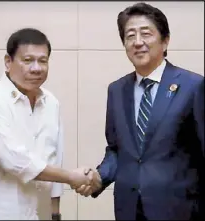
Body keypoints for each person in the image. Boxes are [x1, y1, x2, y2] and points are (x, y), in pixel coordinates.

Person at [76, 2, 204, 221]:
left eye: (146, 34)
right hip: (129, 208)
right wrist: (99, 177)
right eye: (129, 36)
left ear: (165, 41)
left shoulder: (194, 86)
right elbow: (117, 150)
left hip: (180, 209)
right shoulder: (117, 90)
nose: (137, 42)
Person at [0, 28, 91, 220]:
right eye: (27, 60)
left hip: (41, 215)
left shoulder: (51, 102)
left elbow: (55, 157)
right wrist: (72, 177)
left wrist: (55, 213)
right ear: (8, 62)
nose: (36, 68)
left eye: (42, 61)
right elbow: (15, 160)